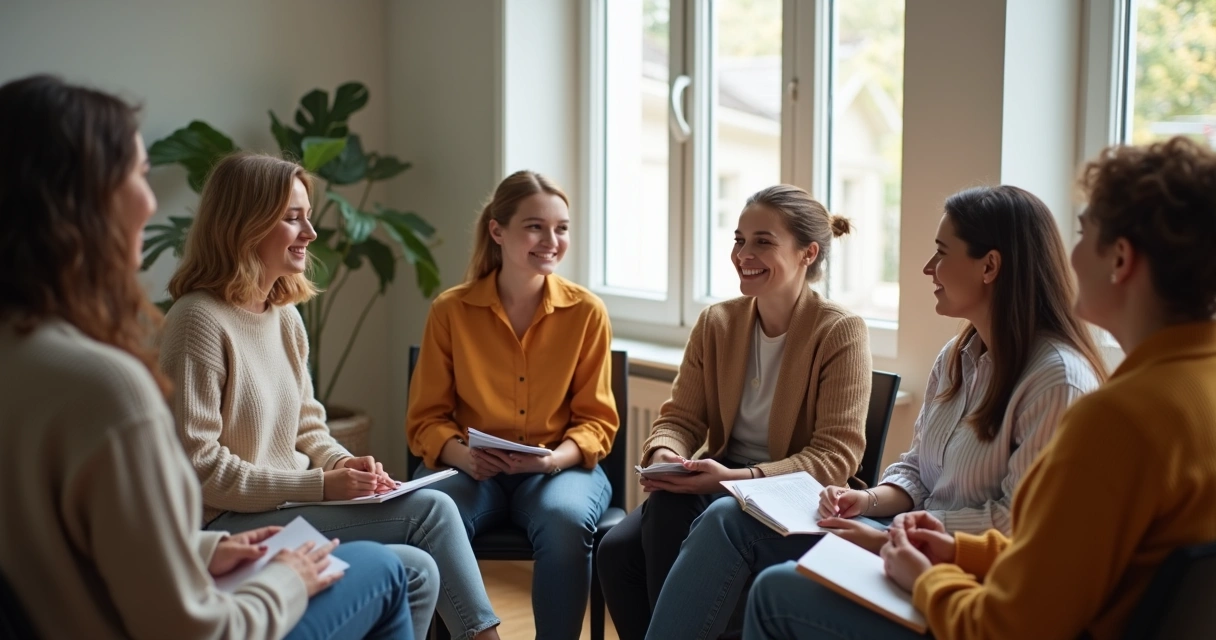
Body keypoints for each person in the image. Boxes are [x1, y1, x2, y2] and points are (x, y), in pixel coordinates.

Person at [744, 136, 1216, 639]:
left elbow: (1011, 624)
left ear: (1120, 259)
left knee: (776, 592)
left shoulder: (1115, 418)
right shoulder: (1190, 387)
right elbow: (1051, 549)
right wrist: (952, 548)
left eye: (1083, 233)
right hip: (975, 569)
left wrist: (928, 578)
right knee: (746, 531)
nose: (1071, 257)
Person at [0, 74, 412, 639]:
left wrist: (203, 549)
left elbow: (68, 548)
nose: (151, 200)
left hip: (183, 564)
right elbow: (195, 628)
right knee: (394, 571)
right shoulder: (106, 385)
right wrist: (287, 578)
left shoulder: (24, 359)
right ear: (78, 198)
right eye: (138, 176)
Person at [644, 184, 1106, 639]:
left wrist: (891, 533)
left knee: (759, 569)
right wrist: (867, 501)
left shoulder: (1056, 381)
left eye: (942, 253)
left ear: (989, 266)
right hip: (908, 538)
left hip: (957, 573)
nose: (929, 268)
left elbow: (1018, 525)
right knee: (720, 521)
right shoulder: (957, 355)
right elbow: (918, 470)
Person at [159, 152, 499, 640]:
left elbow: (309, 428)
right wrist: (320, 486)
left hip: (287, 506)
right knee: (436, 510)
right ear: (245, 224)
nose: (310, 234)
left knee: (414, 566)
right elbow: (200, 469)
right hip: (230, 526)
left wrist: (345, 465)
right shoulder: (197, 321)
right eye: (293, 218)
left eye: (308, 217)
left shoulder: (285, 318)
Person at [597, 185, 872, 640]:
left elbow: (834, 459)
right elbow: (680, 419)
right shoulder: (717, 322)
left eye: (763, 241)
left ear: (808, 253)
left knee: (663, 518)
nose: (744, 253)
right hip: (720, 480)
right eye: (739, 239)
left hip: (795, 496)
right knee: (615, 552)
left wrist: (731, 480)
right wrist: (666, 452)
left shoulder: (840, 331)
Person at [406, 170, 618, 640]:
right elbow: (425, 418)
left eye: (561, 227)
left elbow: (596, 422)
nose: (551, 240)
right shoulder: (450, 311)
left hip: (557, 468)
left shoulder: (586, 312)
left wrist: (551, 460)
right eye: (535, 226)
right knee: (430, 509)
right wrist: (465, 456)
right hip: (470, 468)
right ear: (497, 231)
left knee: (565, 521)